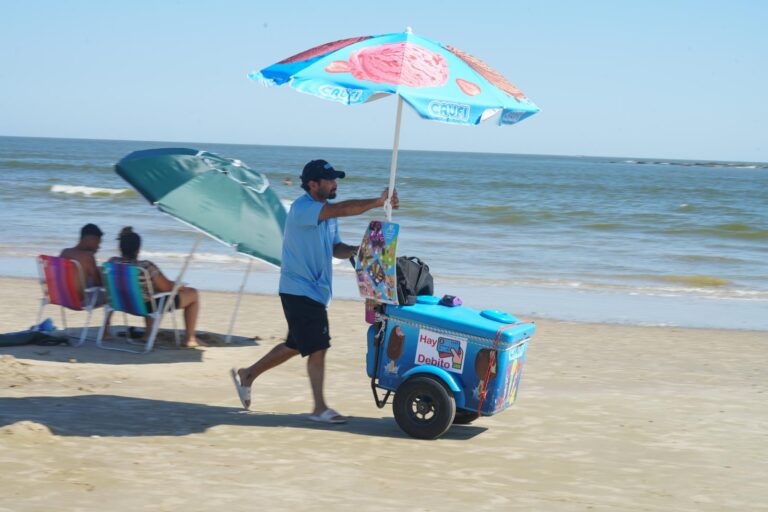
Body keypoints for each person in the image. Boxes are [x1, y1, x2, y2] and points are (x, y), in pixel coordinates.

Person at [231, 159, 399, 423]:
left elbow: (335, 248)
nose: (335, 184)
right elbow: (343, 209)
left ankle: (248, 374)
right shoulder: (303, 208)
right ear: (312, 184)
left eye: (335, 180)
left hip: (314, 290)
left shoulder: (324, 213)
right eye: (330, 180)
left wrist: (358, 251)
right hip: (300, 289)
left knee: (295, 345)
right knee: (318, 347)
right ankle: (319, 407)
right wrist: (378, 202)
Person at [110, 227, 205, 348]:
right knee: (193, 294)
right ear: (138, 249)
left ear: (120, 248)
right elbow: (166, 287)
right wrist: (179, 286)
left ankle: (148, 335)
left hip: (123, 304)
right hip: (145, 307)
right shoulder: (145, 266)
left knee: (148, 291)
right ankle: (190, 338)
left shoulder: (112, 263)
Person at [60, 223, 107, 307]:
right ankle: (107, 320)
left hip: (62, 297)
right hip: (80, 301)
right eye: (97, 242)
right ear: (89, 239)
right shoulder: (88, 257)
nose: (98, 247)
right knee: (112, 295)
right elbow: (98, 284)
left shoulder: (65, 252)